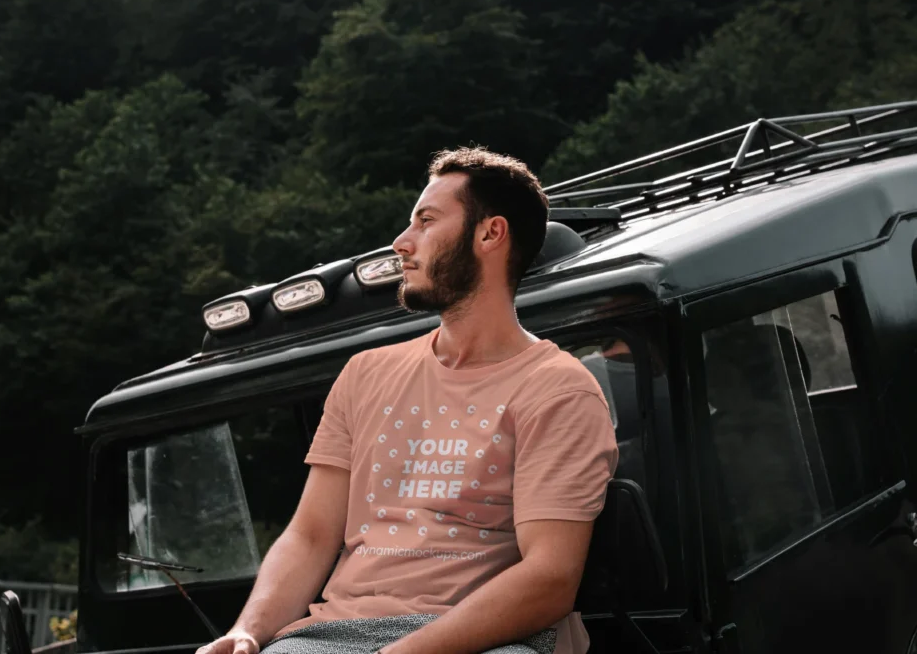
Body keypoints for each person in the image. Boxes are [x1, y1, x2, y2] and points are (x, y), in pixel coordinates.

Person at [196, 148, 619, 654]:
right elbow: (310, 536)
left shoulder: (558, 389)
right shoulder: (365, 373)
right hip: (329, 636)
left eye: (426, 221)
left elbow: (550, 578)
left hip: (484, 639)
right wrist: (249, 631)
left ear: (490, 234)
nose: (402, 242)